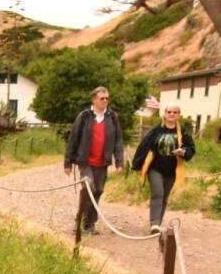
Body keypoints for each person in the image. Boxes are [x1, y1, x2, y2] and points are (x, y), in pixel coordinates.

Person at [64, 86, 125, 235]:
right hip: (85, 161)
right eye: (102, 98)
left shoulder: (112, 117)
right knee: (88, 188)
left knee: (98, 191)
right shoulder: (84, 116)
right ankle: (79, 221)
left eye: (107, 98)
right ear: (94, 100)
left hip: (102, 162)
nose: (105, 101)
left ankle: (90, 224)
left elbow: (118, 141)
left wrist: (119, 162)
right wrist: (68, 162)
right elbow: (73, 139)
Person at [131, 104, 196, 234]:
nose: (172, 114)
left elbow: (191, 147)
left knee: (164, 197)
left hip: (172, 169)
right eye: (169, 112)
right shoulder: (156, 130)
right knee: (158, 193)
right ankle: (154, 223)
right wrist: (137, 164)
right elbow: (144, 145)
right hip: (155, 168)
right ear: (164, 114)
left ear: (178, 115)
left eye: (175, 112)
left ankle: (158, 224)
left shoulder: (182, 131)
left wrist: (183, 151)